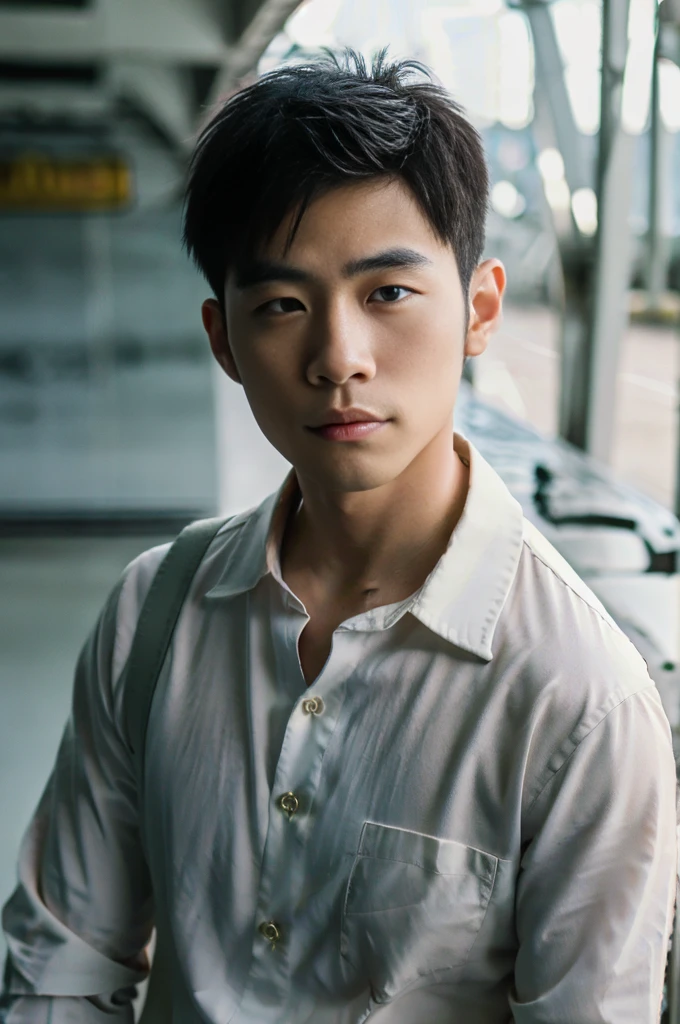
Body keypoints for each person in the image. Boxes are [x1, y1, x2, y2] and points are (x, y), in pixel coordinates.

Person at [1, 50, 677, 1024]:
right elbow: (62, 969)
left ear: (479, 309)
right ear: (222, 339)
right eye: (281, 305)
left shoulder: (577, 698)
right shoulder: (152, 614)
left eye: (386, 294)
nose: (337, 358)